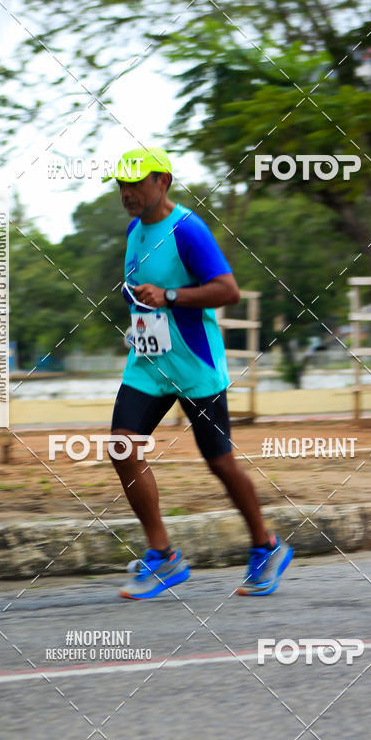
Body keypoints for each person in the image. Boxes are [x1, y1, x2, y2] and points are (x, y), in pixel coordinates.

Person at [104, 147, 293, 599]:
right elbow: (142, 291)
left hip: (195, 366)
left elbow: (228, 290)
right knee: (123, 447)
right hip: (149, 363)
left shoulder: (188, 229)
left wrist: (170, 297)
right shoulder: (134, 230)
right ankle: (164, 555)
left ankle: (266, 546)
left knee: (220, 462)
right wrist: (137, 314)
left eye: (136, 183)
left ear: (163, 181)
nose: (127, 192)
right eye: (122, 184)